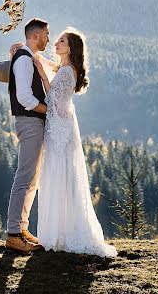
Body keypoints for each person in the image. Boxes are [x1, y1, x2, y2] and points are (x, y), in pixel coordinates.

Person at [32, 28, 117, 257]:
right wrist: (40, 60)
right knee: (60, 178)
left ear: (70, 48)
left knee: (59, 178)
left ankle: (61, 234)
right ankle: (59, 232)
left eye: (61, 41)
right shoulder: (67, 69)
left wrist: (40, 71)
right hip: (61, 130)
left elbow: (54, 102)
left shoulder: (67, 72)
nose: (56, 43)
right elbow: (55, 69)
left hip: (60, 132)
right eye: (58, 39)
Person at [5, 18, 50, 253]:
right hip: (29, 121)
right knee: (24, 177)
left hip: (33, 122)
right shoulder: (23, 59)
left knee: (32, 179)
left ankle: (21, 228)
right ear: (35, 35)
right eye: (46, 35)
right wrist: (48, 110)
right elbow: (24, 97)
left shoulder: (29, 57)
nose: (48, 39)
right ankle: (13, 233)